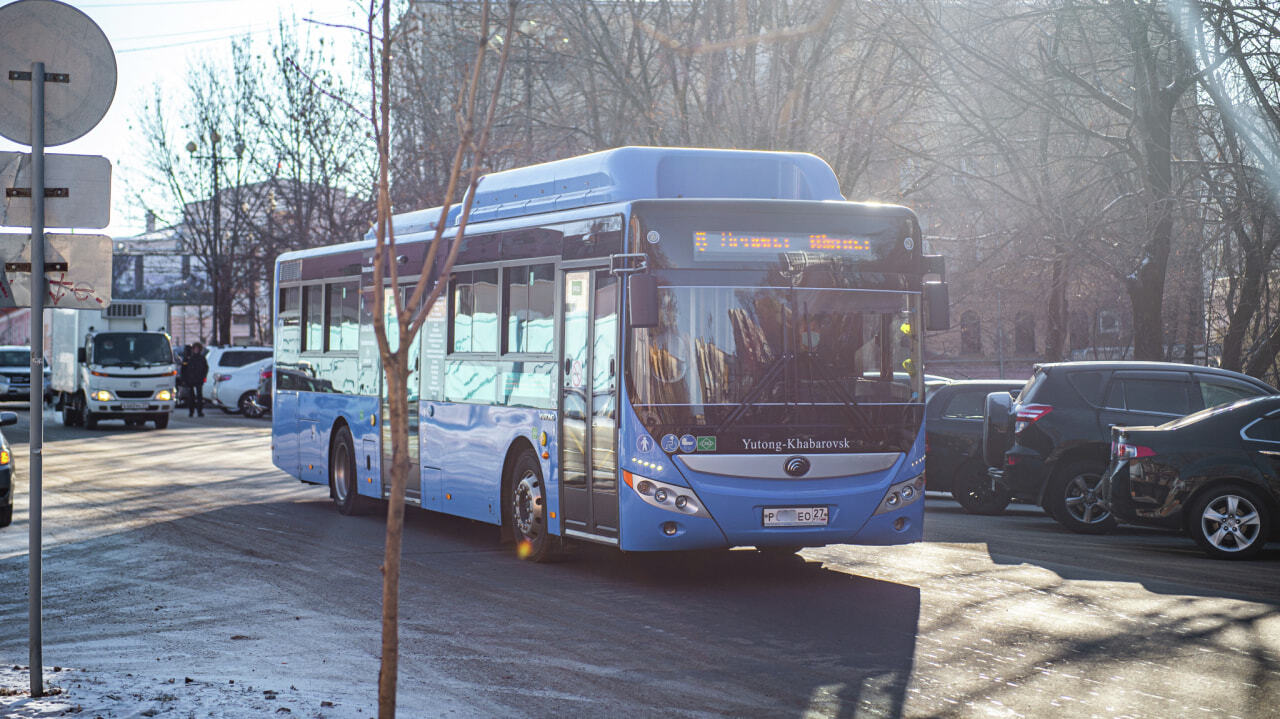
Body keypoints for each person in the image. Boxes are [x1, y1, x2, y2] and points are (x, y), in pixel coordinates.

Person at [182, 342, 209, 417]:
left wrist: (203, 376)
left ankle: (199, 411)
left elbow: (205, 368)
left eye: (197, 349)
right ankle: (191, 412)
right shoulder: (189, 358)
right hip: (190, 380)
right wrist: (185, 379)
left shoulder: (201, 358)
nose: (196, 350)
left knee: (199, 396)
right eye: (195, 348)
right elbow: (184, 369)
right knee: (191, 397)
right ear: (193, 349)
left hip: (199, 379)